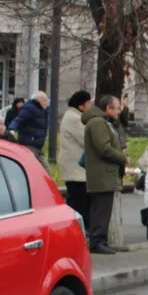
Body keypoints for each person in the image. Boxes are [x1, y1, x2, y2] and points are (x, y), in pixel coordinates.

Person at [81, 95, 128, 255]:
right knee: (101, 209)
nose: (119, 112)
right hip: (102, 174)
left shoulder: (102, 122)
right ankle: (97, 242)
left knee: (103, 209)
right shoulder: (98, 123)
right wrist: (122, 157)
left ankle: (101, 241)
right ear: (108, 108)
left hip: (105, 173)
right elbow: (103, 148)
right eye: (118, 108)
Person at [57, 91, 92, 222]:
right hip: (76, 170)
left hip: (76, 169)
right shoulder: (75, 119)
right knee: (79, 204)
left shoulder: (73, 115)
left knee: (79, 202)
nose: (90, 106)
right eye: (89, 103)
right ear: (81, 105)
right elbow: (87, 139)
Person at [8, 90, 50, 159]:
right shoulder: (29, 108)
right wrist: (12, 129)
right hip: (29, 145)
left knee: (44, 169)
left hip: (38, 147)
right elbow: (18, 119)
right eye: (44, 100)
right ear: (38, 100)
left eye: (47, 100)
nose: (46, 103)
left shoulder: (46, 110)